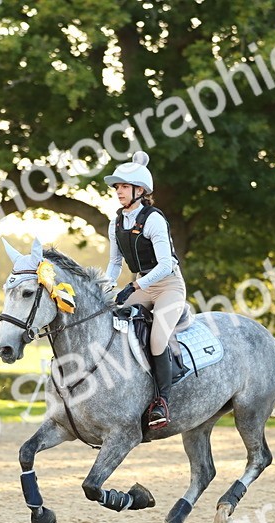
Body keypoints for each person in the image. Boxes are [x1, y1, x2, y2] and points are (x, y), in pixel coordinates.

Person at [104, 151, 188, 430]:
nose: (118, 191)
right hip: (141, 285)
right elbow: (115, 263)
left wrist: (135, 285)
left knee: (156, 340)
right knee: (112, 325)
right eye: (116, 187)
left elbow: (166, 265)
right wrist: (105, 288)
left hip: (168, 287)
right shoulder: (115, 222)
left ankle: (161, 402)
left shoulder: (153, 220)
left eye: (124, 187)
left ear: (140, 191)